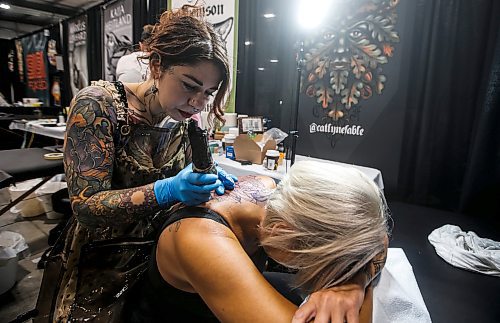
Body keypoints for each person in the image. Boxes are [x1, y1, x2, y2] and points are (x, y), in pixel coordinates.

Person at [36, 6, 238, 322]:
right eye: (189, 85)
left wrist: (206, 179)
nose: (198, 102)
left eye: (208, 92)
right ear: (157, 66)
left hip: (161, 255)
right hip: (101, 261)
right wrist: (168, 189)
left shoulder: (187, 121)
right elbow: (87, 208)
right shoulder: (98, 105)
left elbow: (194, 183)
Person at [130, 161, 390, 323]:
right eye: (312, 260)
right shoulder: (200, 239)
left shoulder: (270, 191)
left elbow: (379, 239)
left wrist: (352, 285)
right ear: (281, 231)